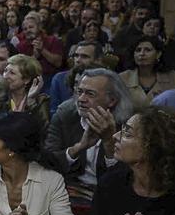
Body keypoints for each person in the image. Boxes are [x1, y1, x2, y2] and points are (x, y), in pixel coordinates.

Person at [44, 68, 134, 203]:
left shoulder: (127, 125)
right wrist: (78, 148)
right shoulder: (65, 116)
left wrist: (109, 141)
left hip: (110, 195)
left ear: (112, 100)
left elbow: (127, 176)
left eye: (90, 94)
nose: (81, 99)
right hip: (69, 191)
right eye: (79, 92)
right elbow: (47, 161)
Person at [118, 36, 175, 108]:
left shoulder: (173, 77)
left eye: (147, 50)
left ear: (158, 54)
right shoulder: (122, 78)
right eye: (138, 50)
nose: (141, 53)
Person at [49, 42, 99, 114]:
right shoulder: (59, 78)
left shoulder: (107, 79)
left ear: (98, 60)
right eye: (76, 56)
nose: (78, 60)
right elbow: (54, 111)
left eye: (84, 56)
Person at [2, 54, 50, 129]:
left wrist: (31, 103)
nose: (5, 76)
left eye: (12, 73)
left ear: (26, 79)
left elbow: (43, 129)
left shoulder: (40, 101)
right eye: (5, 71)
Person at [14, 13, 64, 77]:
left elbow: (58, 63)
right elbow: (21, 68)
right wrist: (34, 56)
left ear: (39, 27)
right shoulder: (20, 46)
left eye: (31, 27)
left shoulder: (53, 40)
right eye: (25, 29)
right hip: (30, 77)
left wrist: (42, 50)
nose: (28, 30)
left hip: (51, 76)